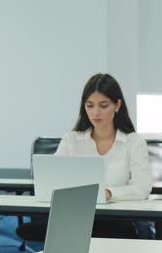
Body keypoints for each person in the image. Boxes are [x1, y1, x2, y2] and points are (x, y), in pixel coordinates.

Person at [56, 73, 153, 238]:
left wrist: (108, 194)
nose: (96, 112)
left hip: (122, 220)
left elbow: (142, 188)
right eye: (90, 105)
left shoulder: (134, 142)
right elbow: (53, 179)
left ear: (117, 105)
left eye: (103, 105)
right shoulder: (71, 140)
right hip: (78, 218)